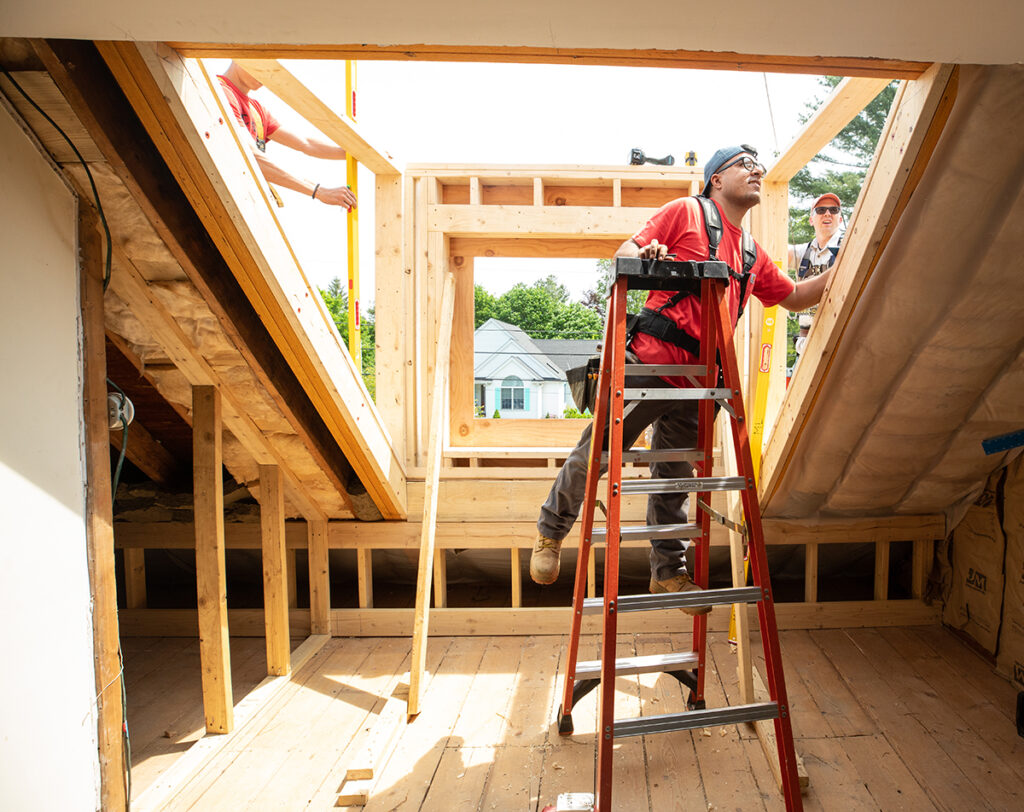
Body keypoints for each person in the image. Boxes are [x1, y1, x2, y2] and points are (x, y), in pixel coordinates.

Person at [529, 145, 833, 612]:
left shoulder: (751, 251)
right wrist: (646, 250)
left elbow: (794, 297)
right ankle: (551, 533)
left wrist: (848, 260)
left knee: (673, 480)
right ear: (715, 178)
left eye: (759, 165)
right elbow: (626, 251)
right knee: (599, 452)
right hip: (651, 365)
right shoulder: (686, 212)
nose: (757, 171)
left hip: (699, 384)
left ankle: (667, 574)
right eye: (744, 164)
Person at [217, 61, 358, 210]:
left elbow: (306, 144)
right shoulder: (221, 92)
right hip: (218, 197)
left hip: (243, 202)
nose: (264, 76)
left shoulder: (257, 111)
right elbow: (250, 157)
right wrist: (318, 191)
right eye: (261, 66)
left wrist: (357, 153)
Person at [787, 193, 844, 360]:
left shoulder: (849, 247)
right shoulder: (801, 252)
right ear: (812, 220)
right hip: (805, 345)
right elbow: (771, 253)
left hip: (838, 341)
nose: (827, 214)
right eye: (821, 210)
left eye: (834, 210)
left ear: (840, 219)